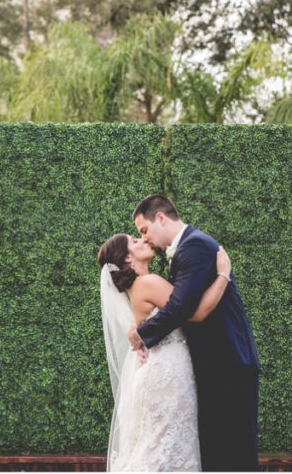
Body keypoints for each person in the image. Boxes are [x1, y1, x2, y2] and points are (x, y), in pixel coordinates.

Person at [128, 194, 260, 471]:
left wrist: (141, 334)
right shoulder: (187, 248)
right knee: (218, 450)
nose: (145, 238)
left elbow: (182, 307)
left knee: (232, 453)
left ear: (160, 218)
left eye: (144, 230)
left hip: (227, 361)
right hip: (217, 363)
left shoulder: (195, 246)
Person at [98, 232, 232, 471]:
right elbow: (196, 313)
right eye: (135, 241)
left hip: (161, 372)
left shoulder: (138, 287)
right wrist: (223, 275)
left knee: (161, 445)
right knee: (165, 448)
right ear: (127, 259)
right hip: (168, 375)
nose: (143, 240)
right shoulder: (149, 283)